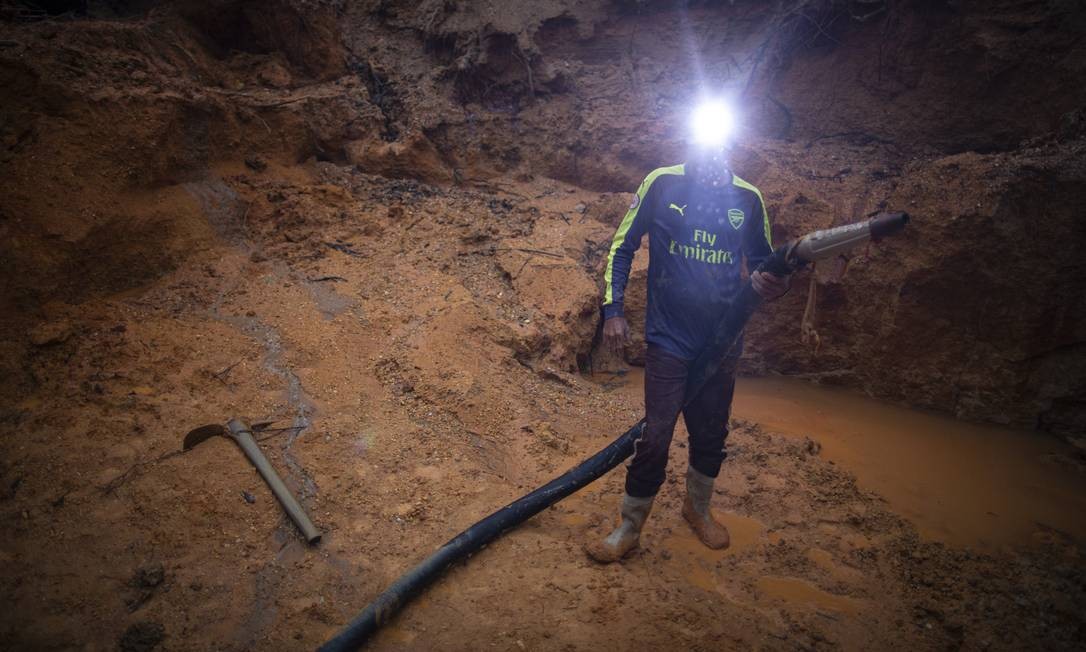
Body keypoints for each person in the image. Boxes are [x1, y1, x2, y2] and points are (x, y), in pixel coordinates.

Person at [585, 116, 791, 563]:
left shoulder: (748, 198)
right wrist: (613, 310)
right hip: (669, 336)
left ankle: (697, 509)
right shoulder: (662, 184)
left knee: (711, 431)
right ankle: (629, 526)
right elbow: (622, 246)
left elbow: (764, 264)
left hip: (723, 340)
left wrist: (780, 281)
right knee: (656, 434)